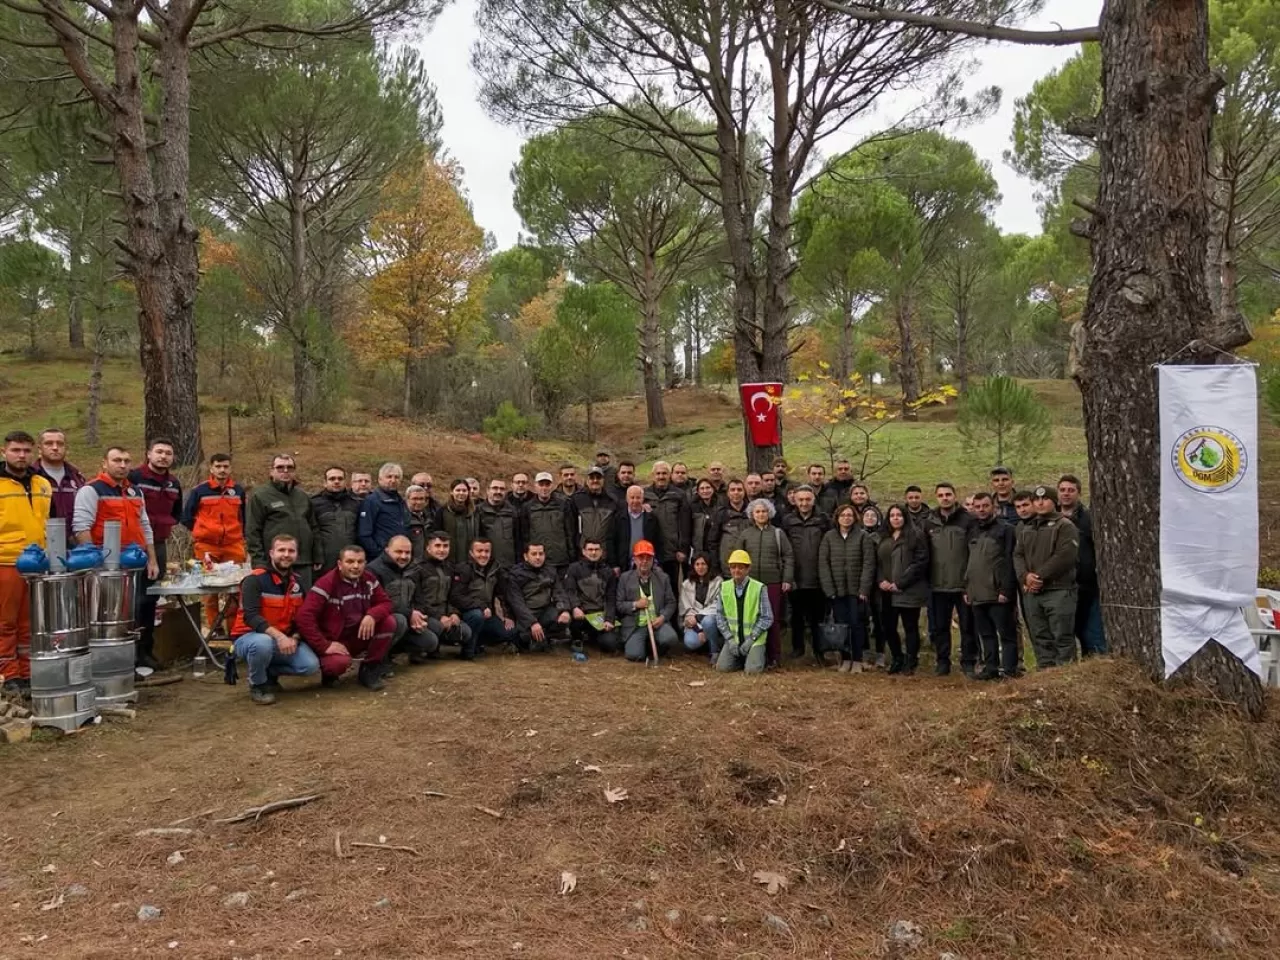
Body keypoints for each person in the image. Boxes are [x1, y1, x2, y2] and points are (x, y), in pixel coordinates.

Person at [73, 446, 160, 668]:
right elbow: (81, 527)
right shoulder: (91, 490)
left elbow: (145, 525)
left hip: (135, 561)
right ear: (104, 463)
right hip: (107, 564)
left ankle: (137, 657)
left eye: (126, 461)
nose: (122, 465)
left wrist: (152, 559)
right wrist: (95, 562)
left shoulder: (135, 492)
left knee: (138, 610)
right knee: (109, 616)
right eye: (117, 460)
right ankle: (108, 664)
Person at [228, 534, 321, 705]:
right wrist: (279, 637)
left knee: (310, 666)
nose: (286, 554)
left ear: (297, 555)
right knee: (262, 643)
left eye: (291, 551)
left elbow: (304, 618)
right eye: (281, 550)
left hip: (283, 640)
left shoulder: (298, 583)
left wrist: (294, 638)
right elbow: (251, 616)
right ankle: (258, 684)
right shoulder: (254, 580)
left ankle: (267, 672)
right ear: (271, 553)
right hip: (249, 637)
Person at [296, 545, 395, 690]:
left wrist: (372, 615)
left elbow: (386, 602)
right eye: (350, 561)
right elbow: (303, 617)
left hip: (358, 634)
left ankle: (369, 669)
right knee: (337, 664)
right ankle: (329, 674)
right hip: (334, 639)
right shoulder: (326, 583)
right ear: (339, 564)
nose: (356, 566)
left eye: (360, 562)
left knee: (389, 622)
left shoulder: (368, 579)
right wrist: (324, 645)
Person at [0, 431, 52, 693]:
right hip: (6, 562)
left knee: (29, 623)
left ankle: (28, 672)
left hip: (37, 564)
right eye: (15, 450)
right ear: (4, 452)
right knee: (5, 622)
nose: (21, 455)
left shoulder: (43, 484)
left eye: (26, 451)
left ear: (34, 453)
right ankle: (8, 675)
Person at [1014, 486, 1079, 669]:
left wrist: (1039, 576)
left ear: (1054, 501)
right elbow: (1017, 555)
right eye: (1036, 500)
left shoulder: (1065, 525)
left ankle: (1066, 675)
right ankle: (1045, 675)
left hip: (1058, 590)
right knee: (1040, 636)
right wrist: (1025, 577)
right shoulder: (1027, 528)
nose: (1040, 503)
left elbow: (1065, 556)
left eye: (1045, 499)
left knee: (1062, 636)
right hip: (1032, 593)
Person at [130, 438, 182, 666]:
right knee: (131, 601)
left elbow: (177, 513)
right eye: (159, 452)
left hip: (159, 544)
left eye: (168, 453)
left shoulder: (173, 483)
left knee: (150, 599)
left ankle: (146, 652)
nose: (163, 456)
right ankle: (129, 653)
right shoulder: (135, 478)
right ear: (148, 454)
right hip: (131, 547)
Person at [182, 452, 247, 628]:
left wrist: (242, 536)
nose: (222, 470)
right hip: (206, 546)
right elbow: (186, 516)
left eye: (225, 466)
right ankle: (214, 628)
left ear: (230, 468)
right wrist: (201, 532)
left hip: (233, 545)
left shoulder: (238, 491)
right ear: (211, 468)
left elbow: (245, 517)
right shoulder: (199, 491)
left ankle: (234, 629)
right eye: (218, 466)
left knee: (235, 589)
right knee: (210, 589)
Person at [964, 492, 1018, 681]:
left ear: (993, 506)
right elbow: (969, 562)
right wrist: (967, 588)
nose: (981, 510)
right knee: (986, 634)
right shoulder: (971, 529)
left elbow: (1012, 561)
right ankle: (991, 668)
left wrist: (1007, 589)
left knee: (1007, 634)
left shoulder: (1006, 529)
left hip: (998, 592)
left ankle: (1011, 669)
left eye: (985, 506)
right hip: (977, 592)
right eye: (977, 507)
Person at [734, 498, 793, 668]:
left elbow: (788, 556)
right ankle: (751, 653)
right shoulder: (745, 534)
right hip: (750, 583)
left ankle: (774, 656)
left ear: (770, 513)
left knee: (772, 620)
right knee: (751, 619)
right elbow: (738, 556)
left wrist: (787, 579)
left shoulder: (777, 533)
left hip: (772, 582)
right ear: (752, 514)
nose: (761, 514)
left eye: (764, 511)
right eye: (757, 511)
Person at [925, 482, 976, 677]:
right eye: (941, 495)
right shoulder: (929, 522)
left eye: (948, 494)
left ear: (955, 496)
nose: (945, 498)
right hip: (937, 584)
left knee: (967, 626)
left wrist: (970, 581)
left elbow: (974, 551)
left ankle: (968, 661)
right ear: (936, 497)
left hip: (963, 583)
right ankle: (943, 661)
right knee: (940, 626)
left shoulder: (968, 520)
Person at [246, 454, 319, 589]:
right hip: (274, 563)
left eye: (289, 468)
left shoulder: (303, 496)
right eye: (280, 468)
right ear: (271, 471)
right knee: (276, 602)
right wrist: (259, 562)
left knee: (304, 603)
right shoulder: (260, 496)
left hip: (303, 562)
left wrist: (317, 555)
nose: (285, 471)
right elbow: (252, 531)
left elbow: (313, 526)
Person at [819, 503, 875, 673]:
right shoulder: (829, 537)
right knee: (841, 625)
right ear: (837, 517)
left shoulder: (863, 537)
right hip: (837, 591)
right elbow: (823, 564)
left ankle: (857, 660)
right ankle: (844, 659)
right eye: (843, 515)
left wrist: (864, 589)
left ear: (854, 517)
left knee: (857, 624)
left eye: (849, 515)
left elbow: (868, 563)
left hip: (856, 591)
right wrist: (829, 590)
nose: (846, 518)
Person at [366, 535, 438, 665]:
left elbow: (419, 597)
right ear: (387, 550)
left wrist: (418, 615)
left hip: (407, 618)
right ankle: (379, 658)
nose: (404, 556)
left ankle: (396, 650)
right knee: (399, 620)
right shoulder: (373, 570)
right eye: (398, 552)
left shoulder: (413, 568)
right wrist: (409, 614)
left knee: (431, 639)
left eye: (407, 552)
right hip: (382, 621)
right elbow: (376, 603)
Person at [876, 504, 929, 674]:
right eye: (892, 515)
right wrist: (881, 580)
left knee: (910, 626)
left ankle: (911, 660)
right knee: (889, 627)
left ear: (905, 517)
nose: (896, 518)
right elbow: (877, 562)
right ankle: (897, 658)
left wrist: (901, 583)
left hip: (909, 589)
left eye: (899, 515)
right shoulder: (883, 536)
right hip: (886, 591)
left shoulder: (916, 535)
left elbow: (920, 562)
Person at [1058, 474, 1105, 657]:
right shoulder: (1050, 519)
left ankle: (1095, 665)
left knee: (1091, 632)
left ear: (1078, 493)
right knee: (1068, 632)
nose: (1066, 494)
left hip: (1087, 585)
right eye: (1062, 490)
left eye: (1071, 490)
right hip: (1062, 587)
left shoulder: (1089, 519)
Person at [783, 484, 830, 659]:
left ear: (813, 500)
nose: (804, 503)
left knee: (818, 617)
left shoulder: (823, 520)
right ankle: (798, 648)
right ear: (795, 500)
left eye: (807, 499)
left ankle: (820, 650)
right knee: (796, 616)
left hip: (818, 576)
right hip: (796, 576)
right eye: (800, 500)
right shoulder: (788, 520)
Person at [411, 533, 475, 660]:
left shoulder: (450, 567)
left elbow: (453, 595)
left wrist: (454, 613)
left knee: (465, 632)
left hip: (445, 613)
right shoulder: (417, 568)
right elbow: (417, 599)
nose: (442, 550)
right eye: (437, 546)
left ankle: (437, 644)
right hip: (424, 614)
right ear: (428, 548)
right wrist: (439, 617)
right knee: (439, 627)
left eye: (445, 546)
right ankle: (419, 649)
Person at [615, 540, 677, 662]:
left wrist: (663, 618)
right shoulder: (625, 578)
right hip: (636, 625)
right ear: (634, 559)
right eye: (641, 557)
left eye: (648, 558)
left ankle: (653, 645)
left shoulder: (663, 578)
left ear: (653, 559)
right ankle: (643, 646)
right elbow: (619, 604)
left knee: (671, 639)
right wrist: (635, 604)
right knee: (634, 655)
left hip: (657, 623)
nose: (644, 561)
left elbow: (671, 603)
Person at [452, 538, 517, 653]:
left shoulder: (495, 569)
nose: (483, 554)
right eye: (479, 551)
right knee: (477, 616)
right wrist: (480, 606)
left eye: (487, 551)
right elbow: (456, 596)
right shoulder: (463, 569)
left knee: (509, 632)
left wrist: (507, 615)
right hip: (467, 614)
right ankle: (468, 650)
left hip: (487, 615)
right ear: (471, 553)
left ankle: (478, 641)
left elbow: (502, 594)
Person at [714, 549, 774, 675]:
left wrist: (751, 639)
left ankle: (756, 657)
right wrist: (729, 639)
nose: (737, 571)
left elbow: (767, 618)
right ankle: (743, 659)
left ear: (748, 569)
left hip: (754, 639)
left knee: (752, 672)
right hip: (734, 639)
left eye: (741, 567)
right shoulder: (724, 587)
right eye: (733, 567)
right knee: (722, 668)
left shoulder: (759, 588)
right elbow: (720, 616)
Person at [504, 542, 572, 652]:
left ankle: (545, 638)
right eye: (534, 554)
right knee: (523, 637)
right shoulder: (516, 575)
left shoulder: (550, 570)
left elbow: (559, 592)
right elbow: (517, 603)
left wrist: (564, 610)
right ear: (526, 556)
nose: (538, 557)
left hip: (545, 610)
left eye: (541, 554)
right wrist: (532, 622)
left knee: (564, 619)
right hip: (525, 614)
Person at [564, 538, 618, 653]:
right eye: (590, 549)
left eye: (596, 549)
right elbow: (570, 591)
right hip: (582, 614)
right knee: (574, 623)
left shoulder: (609, 572)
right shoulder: (574, 568)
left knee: (610, 644)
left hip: (600, 615)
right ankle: (577, 638)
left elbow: (611, 598)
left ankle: (594, 637)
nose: (593, 552)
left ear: (601, 551)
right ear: (584, 551)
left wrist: (609, 619)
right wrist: (575, 607)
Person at [644, 461, 691, 585]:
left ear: (669, 475)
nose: (661, 476)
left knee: (672, 586)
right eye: (658, 473)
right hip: (651, 549)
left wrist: (682, 549)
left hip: (672, 550)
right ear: (653, 475)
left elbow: (684, 524)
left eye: (664, 473)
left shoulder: (679, 495)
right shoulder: (644, 494)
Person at [519, 472, 574, 574]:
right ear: (535, 486)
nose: (544, 488)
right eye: (541, 484)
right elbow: (524, 535)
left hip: (560, 561)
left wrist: (571, 556)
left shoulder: (563, 504)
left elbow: (569, 533)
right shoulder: (527, 507)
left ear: (552, 486)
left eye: (547, 484)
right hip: (537, 561)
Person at [357, 462, 409, 560]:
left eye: (396, 477)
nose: (393, 480)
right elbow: (364, 534)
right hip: (380, 558)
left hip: (400, 557)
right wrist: (380, 554)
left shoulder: (401, 502)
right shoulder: (371, 501)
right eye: (389, 477)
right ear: (380, 479)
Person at [34, 427, 85, 522]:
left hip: (72, 536)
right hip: (42, 535)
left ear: (66, 448)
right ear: (40, 449)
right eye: (49, 443)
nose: (55, 448)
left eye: (60, 444)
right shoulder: (31, 477)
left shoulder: (77, 477)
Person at [571, 467, 619, 567]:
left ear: (603, 480)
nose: (595, 480)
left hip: (605, 555)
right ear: (587, 480)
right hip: (582, 554)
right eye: (592, 478)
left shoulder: (612, 501)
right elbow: (571, 529)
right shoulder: (576, 499)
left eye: (598, 478)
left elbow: (616, 532)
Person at [679, 553, 722, 661]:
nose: (700, 567)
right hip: (694, 623)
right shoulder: (687, 584)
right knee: (690, 642)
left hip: (712, 619)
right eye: (697, 564)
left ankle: (714, 652)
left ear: (708, 565)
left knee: (708, 621)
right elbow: (686, 609)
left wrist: (699, 617)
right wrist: (698, 630)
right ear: (693, 566)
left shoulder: (718, 582)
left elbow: (718, 605)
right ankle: (706, 642)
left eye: (703, 564)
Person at [612, 484, 662, 570]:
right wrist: (614, 564)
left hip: (646, 563)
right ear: (627, 499)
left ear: (643, 499)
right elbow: (612, 541)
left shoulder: (651, 518)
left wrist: (658, 563)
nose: (635, 501)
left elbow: (658, 541)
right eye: (632, 497)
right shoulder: (618, 518)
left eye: (638, 497)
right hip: (624, 564)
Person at [860, 506, 887, 665]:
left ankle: (880, 653)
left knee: (880, 618)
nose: (869, 518)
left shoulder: (883, 536)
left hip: (879, 583)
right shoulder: (857, 535)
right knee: (862, 618)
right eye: (866, 515)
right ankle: (864, 651)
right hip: (862, 582)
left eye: (873, 515)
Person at [712, 479, 750, 576]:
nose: (736, 492)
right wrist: (716, 566)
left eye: (739, 490)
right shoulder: (721, 513)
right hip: (728, 567)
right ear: (728, 493)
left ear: (744, 492)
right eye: (732, 490)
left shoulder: (752, 512)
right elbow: (713, 542)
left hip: (750, 567)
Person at [438, 479, 481, 566]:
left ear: (468, 492)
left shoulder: (475, 512)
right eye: (458, 490)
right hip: (448, 561)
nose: (461, 493)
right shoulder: (443, 511)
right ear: (451, 492)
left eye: (464, 490)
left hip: (471, 561)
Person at [479, 479, 520, 569]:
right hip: (486, 565)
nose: (498, 491)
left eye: (502, 489)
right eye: (495, 488)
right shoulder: (478, 512)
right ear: (488, 490)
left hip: (508, 565)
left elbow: (518, 539)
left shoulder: (513, 512)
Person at [688, 479, 720, 560]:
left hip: (716, 549)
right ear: (698, 492)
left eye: (708, 488)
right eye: (702, 488)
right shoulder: (692, 507)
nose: (705, 491)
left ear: (713, 489)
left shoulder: (720, 506)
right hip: (699, 549)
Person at [404, 485, 435, 561]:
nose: (419, 502)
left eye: (421, 499)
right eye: (415, 499)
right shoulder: (401, 519)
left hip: (427, 564)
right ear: (407, 499)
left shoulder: (429, 518)